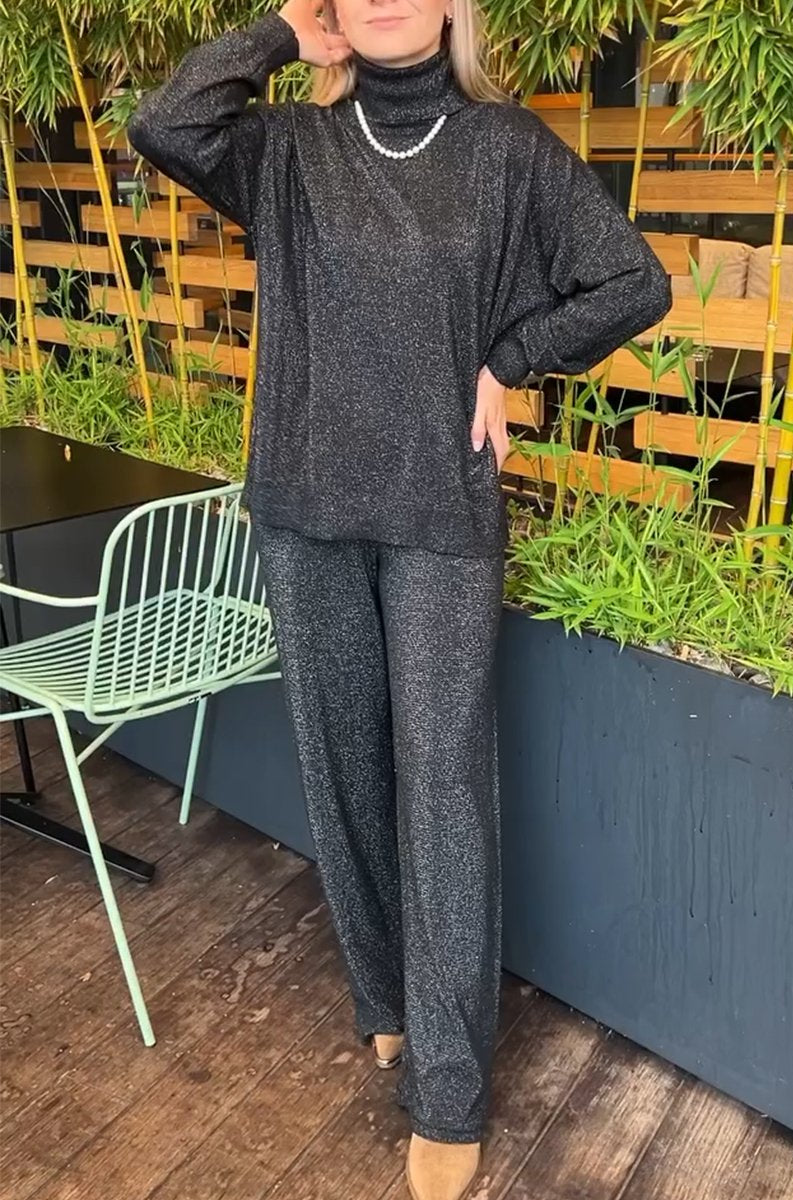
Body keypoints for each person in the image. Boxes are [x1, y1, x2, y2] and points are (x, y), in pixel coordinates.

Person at [127, 1, 671, 1195]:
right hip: (303, 507)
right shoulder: (287, 150)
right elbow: (165, 121)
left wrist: (509, 362)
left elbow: (631, 282)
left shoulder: (504, 151)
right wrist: (279, 37)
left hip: (438, 517)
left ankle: (449, 1086)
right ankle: (384, 998)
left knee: (441, 792)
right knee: (343, 769)